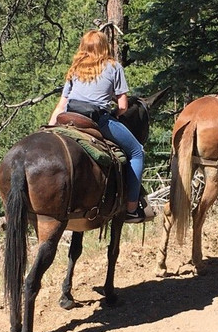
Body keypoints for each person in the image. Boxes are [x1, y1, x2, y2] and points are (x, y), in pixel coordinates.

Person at [48, 29, 151, 223]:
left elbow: (61, 104)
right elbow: (122, 107)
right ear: (104, 47)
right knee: (137, 151)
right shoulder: (114, 67)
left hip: (68, 116)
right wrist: (113, 113)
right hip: (95, 119)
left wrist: (50, 127)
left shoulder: (75, 67)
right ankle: (131, 208)